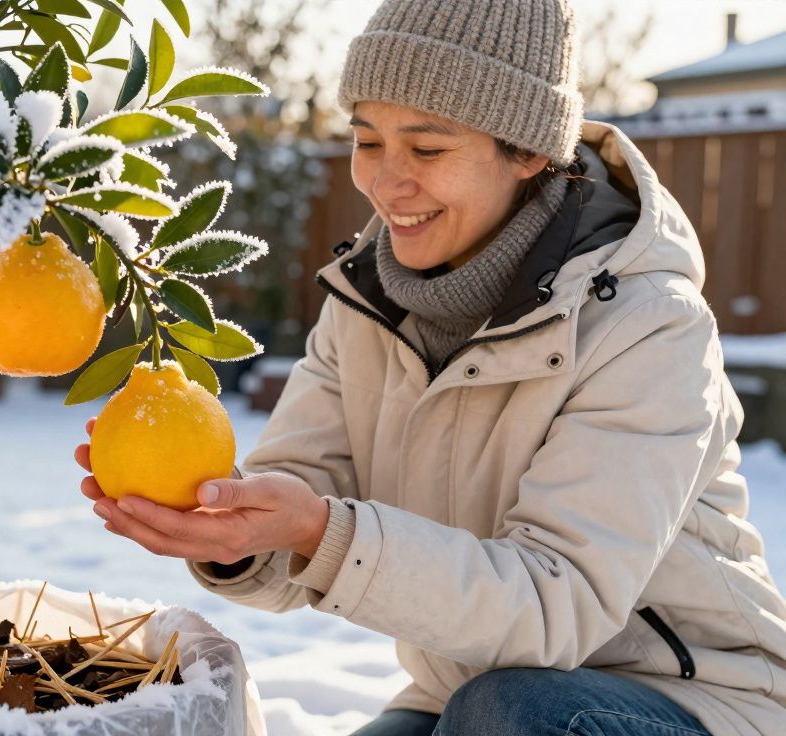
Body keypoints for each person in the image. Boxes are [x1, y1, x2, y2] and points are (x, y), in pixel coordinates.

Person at [73, 0, 786, 733]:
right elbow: (300, 498)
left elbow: (556, 604)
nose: (386, 182)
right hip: (466, 695)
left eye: (428, 149)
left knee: (506, 712)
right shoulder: (364, 304)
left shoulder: (646, 326)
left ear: (532, 151)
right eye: (367, 140)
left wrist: (322, 531)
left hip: (695, 704)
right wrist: (232, 534)